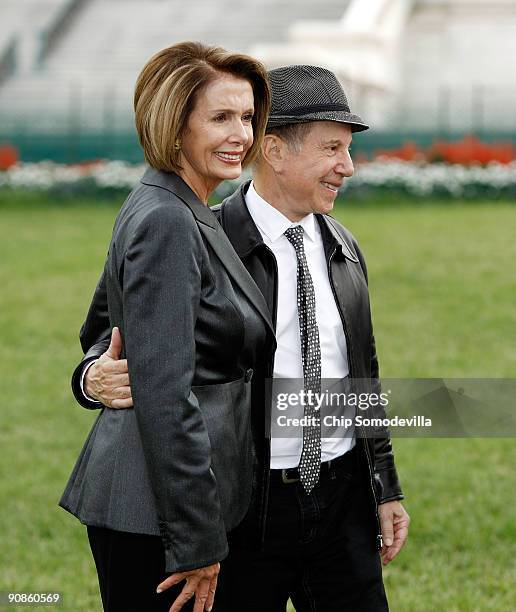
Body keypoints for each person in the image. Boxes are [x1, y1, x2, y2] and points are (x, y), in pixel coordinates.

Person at [73, 65, 410, 611]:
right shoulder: (200, 232)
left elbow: (361, 375)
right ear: (274, 151)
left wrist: (384, 485)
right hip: (245, 505)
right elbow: (107, 333)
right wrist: (92, 376)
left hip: (342, 497)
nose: (347, 168)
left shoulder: (344, 246)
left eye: (348, 150)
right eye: (332, 149)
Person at [59, 41, 274, 612]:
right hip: (156, 518)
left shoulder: (168, 202)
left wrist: (94, 370)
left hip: (161, 509)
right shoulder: (167, 220)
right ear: (174, 124)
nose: (242, 135)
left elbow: (106, 328)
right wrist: (197, 541)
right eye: (221, 118)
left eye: (248, 117)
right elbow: (167, 397)